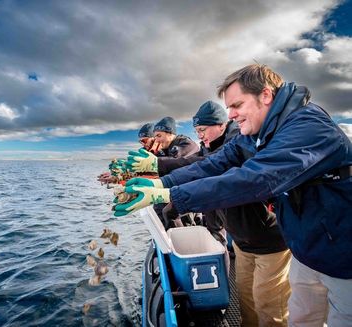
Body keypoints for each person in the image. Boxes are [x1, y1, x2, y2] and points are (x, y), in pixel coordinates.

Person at [114, 64, 352, 326]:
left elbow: (254, 179)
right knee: (300, 318)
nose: (231, 115)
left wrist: (170, 195)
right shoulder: (256, 134)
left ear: (265, 95)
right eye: (228, 108)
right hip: (306, 249)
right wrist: (160, 184)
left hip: (343, 258)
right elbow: (212, 164)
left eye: (237, 105)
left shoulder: (308, 126)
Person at [129, 101, 291, 326]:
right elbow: (197, 166)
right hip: (243, 242)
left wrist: (163, 188)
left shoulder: (238, 145)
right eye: (197, 132)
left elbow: (212, 173)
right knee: (247, 302)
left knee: (269, 305)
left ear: (222, 125)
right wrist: (161, 182)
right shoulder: (210, 148)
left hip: (269, 242)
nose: (200, 136)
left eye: (203, 130)